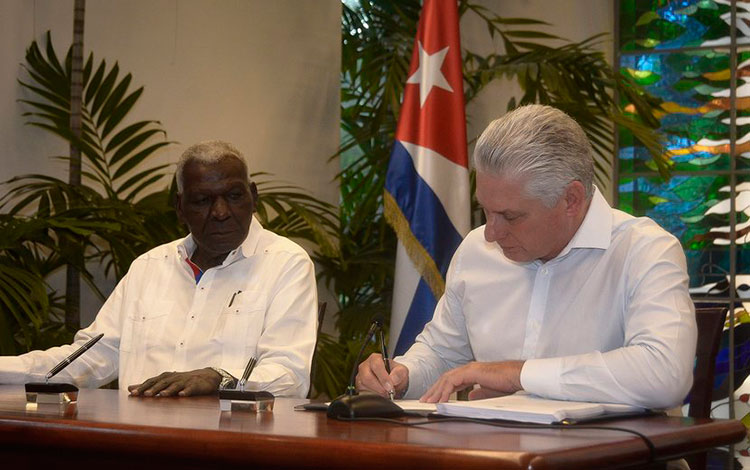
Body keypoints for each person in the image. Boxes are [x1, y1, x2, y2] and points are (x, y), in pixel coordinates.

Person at [358, 105, 697, 409]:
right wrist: (401, 375)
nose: (491, 233)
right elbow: (442, 353)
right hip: (495, 455)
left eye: (511, 216)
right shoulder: (477, 251)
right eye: (485, 212)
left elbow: (664, 373)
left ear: (571, 200)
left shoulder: (644, 250)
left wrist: (518, 375)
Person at [0, 140, 318, 398]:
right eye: (203, 200)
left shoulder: (285, 263)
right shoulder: (149, 268)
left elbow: (290, 376)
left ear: (254, 196)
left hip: (231, 446)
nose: (221, 212)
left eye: (234, 196)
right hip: (137, 442)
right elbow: (89, 359)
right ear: (180, 208)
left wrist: (219, 379)